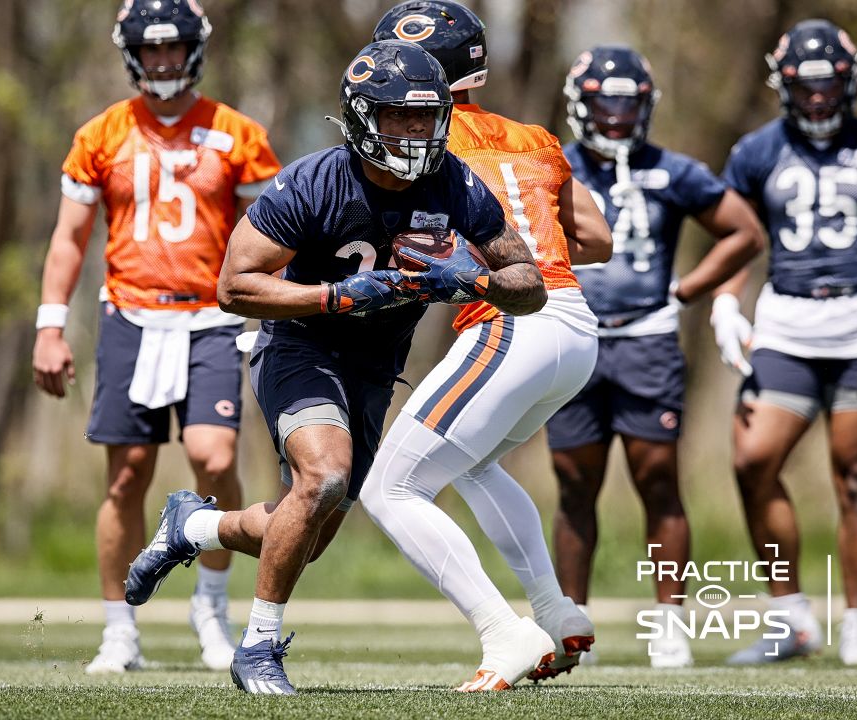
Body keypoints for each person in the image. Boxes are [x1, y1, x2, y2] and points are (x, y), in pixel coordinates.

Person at [123, 40, 538, 695]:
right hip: (303, 347)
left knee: (307, 531)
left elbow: (530, 283)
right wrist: (332, 297)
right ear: (364, 116)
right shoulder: (315, 182)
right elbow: (234, 286)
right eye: (400, 116)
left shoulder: (455, 182)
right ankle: (257, 648)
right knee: (324, 478)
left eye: (427, 116)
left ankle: (192, 526)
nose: (417, 131)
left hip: (376, 368)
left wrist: (478, 285)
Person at [364, 2, 611, 690]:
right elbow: (596, 237)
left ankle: (505, 634)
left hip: (512, 324)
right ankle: (555, 611)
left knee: (389, 487)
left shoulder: (426, 141)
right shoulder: (533, 136)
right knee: (471, 467)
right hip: (572, 326)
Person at [30, 0, 280, 674]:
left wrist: (276, 311)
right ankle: (120, 629)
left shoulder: (238, 133)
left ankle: (211, 604)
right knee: (128, 476)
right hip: (130, 315)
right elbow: (69, 238)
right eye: (151, 50)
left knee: (215, 455)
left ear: (195, 50)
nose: (163, 61)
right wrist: (50, 325)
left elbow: (272, 240)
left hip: (211, 317)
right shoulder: (101, 134)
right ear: (132, 53)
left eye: (173, 49)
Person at [709, 19, 857, 665]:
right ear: (784, 86)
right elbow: (735, 235)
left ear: (849, 83)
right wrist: (725, 302)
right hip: (788, 324)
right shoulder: (755, 151)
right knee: (753, 460)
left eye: (829, 86)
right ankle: (792, 618)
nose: (819, 99)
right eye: (806, 87)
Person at [546, 45, 762, 669]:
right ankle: (571, 625)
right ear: (579, 105)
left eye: (628, 103)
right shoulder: (551, 166)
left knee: (659, 483)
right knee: (574, 487)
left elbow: (745, 232)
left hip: (647, 339)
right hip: (576, 337)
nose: (615, 116)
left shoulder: (673, 170)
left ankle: (669, 622)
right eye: (603, 103)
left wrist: (688, 290)